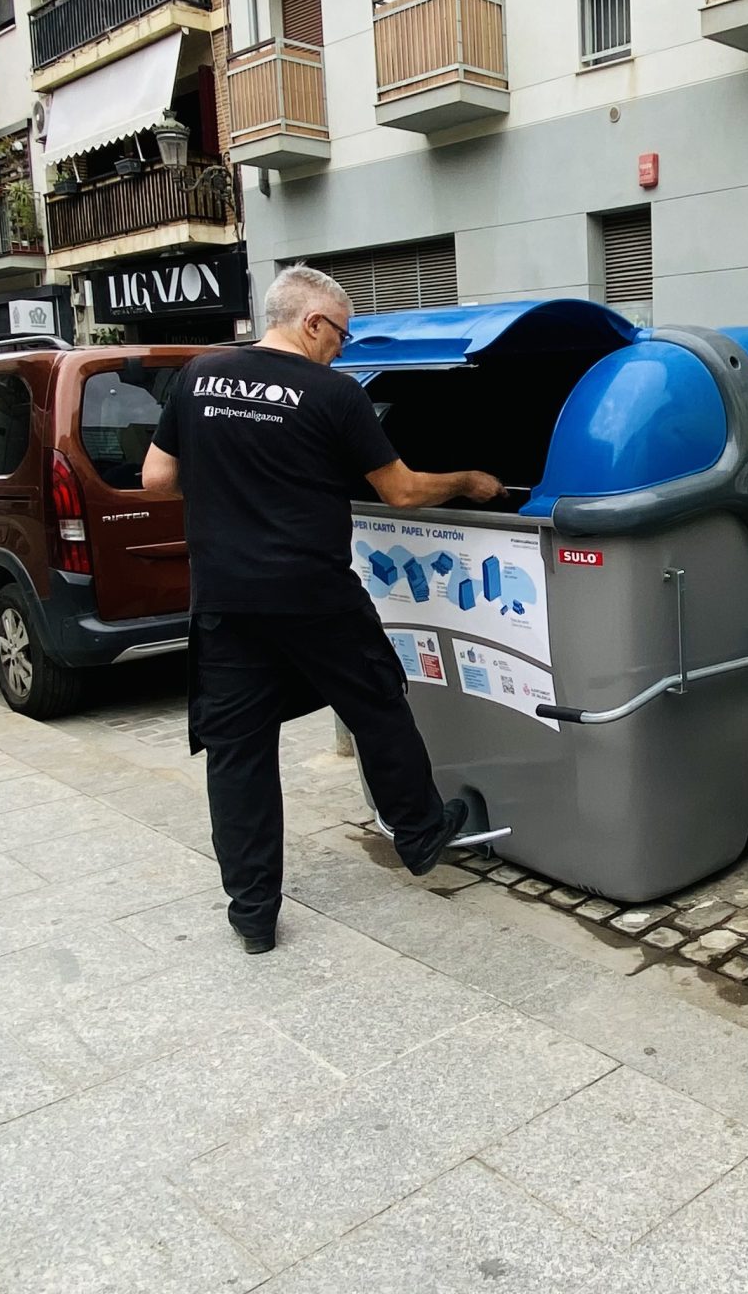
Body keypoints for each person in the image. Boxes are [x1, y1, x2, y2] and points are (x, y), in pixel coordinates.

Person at [142, 265, 505, 954]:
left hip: (225, 598)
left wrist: (229, 477)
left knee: (238, 754)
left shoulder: (198, 374)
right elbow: (400, 492)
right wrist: (465, 479)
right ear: (312, 322)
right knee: (376, 698)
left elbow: (156, 477)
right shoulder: (332, 394)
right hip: (312, 593)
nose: (344, 347)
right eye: (342, 333)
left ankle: (252, 913)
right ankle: (421, 830)